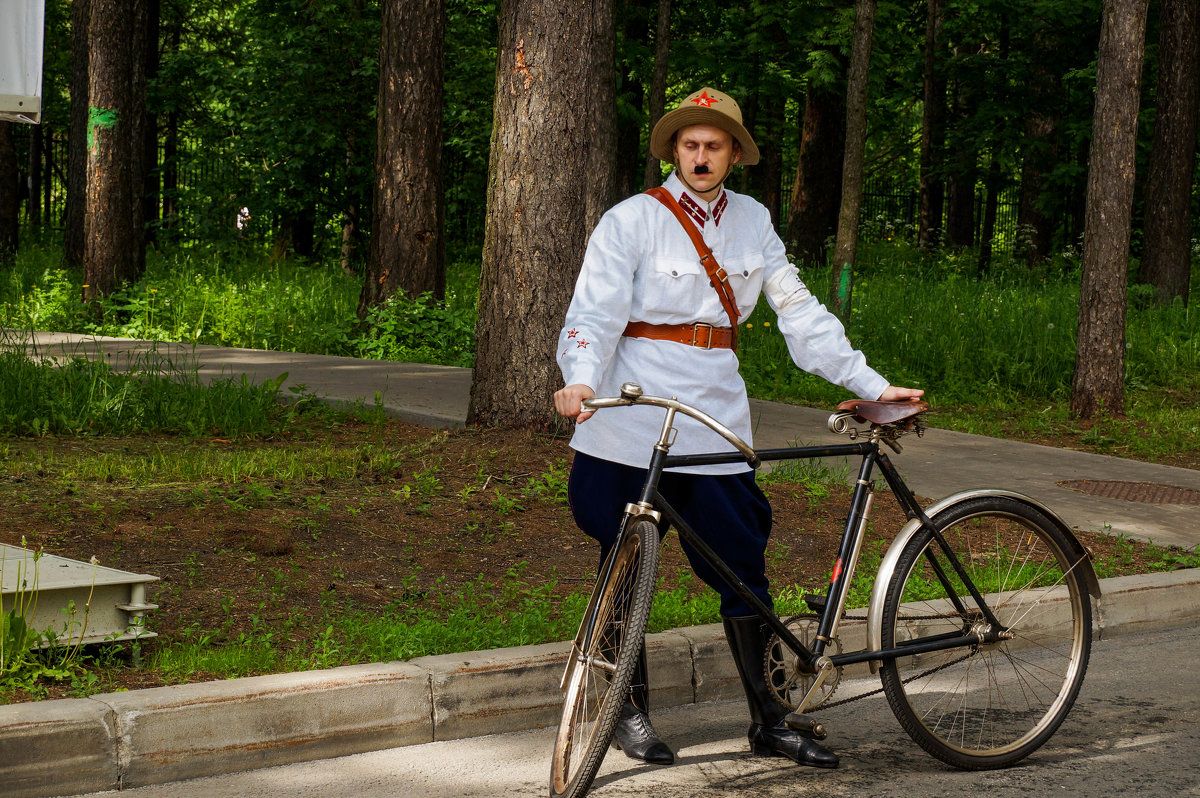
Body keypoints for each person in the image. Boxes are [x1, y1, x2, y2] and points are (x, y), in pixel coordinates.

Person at [552, 87, 923, 770]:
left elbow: (798, 310)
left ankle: (770, 717)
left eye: (713, 146)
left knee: (742, 568)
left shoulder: (753, 221)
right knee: (624, 559)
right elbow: (594, 310)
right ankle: (625, 708)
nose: (700, 156)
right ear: (673, 151)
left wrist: (869, 384)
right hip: (630, 412)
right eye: (689, 145)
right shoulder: (631, 219)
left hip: (712, 412)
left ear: (732, 155)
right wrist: (579, 376)